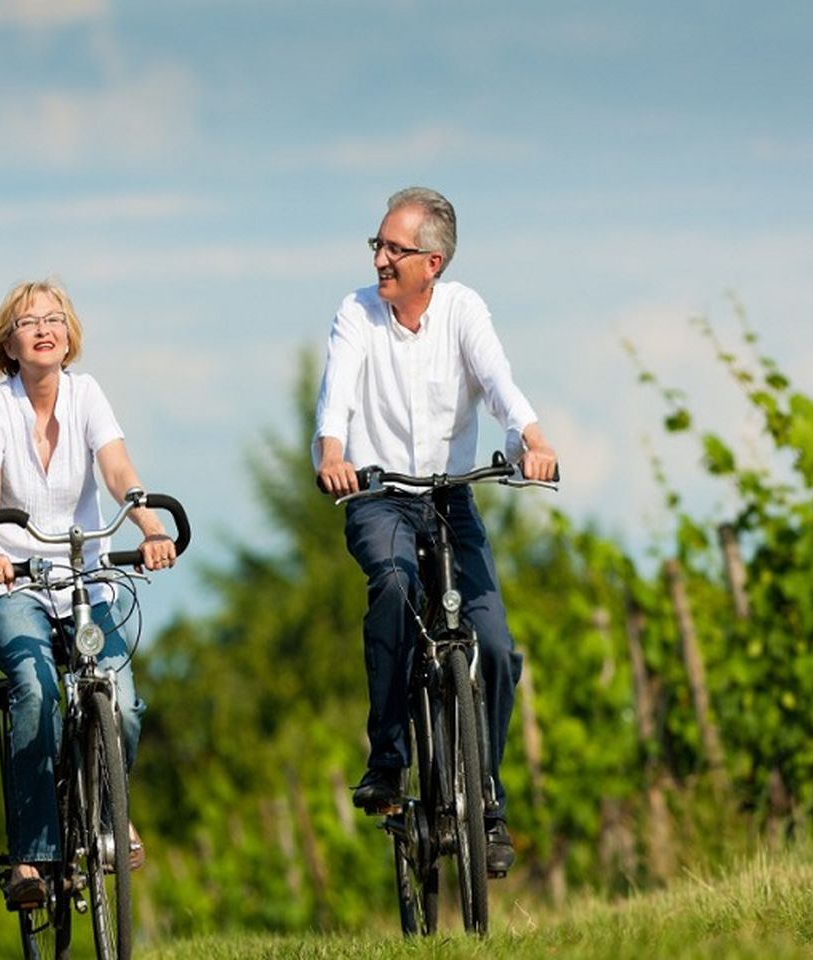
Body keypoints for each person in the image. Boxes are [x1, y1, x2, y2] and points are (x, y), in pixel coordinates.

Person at [314, 187, 558, 875]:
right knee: (393, 585)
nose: (381, 259)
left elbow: (500, 382)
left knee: (499, 648)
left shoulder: (464, 311)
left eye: (396, 249)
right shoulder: (356, 313)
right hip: (379, 497)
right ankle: (388, 759)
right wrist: (333, 456)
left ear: (434, 262)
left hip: (451, 501)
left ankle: (487, 797)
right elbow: (336, 395)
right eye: (379, 246)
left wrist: (532, 438)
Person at [0, 278, 177, 906]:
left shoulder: (87, 395)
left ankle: (110, 813)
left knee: (123, 697)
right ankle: (33, 856)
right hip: (19, 584)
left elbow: (117, 470)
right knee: (36, 690)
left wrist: (149, 525)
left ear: (69, 334)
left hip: (88, 579)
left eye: (54, 318)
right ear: (9, 341)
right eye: (29, 321)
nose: (43, 328)